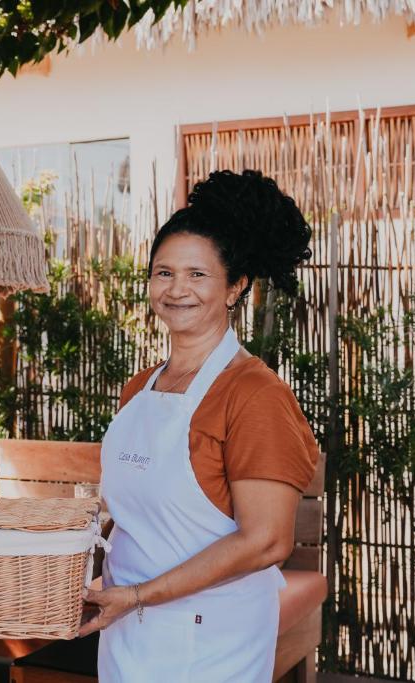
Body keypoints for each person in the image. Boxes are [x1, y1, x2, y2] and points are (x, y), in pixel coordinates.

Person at [79, 170, 319, 682]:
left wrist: (140, 595)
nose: (177, 289)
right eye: (163, 273)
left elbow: (266, 541)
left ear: (235, 287)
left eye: (197, 274)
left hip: (211, 639)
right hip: (125, 630)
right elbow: (121, 514)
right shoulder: (139, 390)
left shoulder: (256, 395)